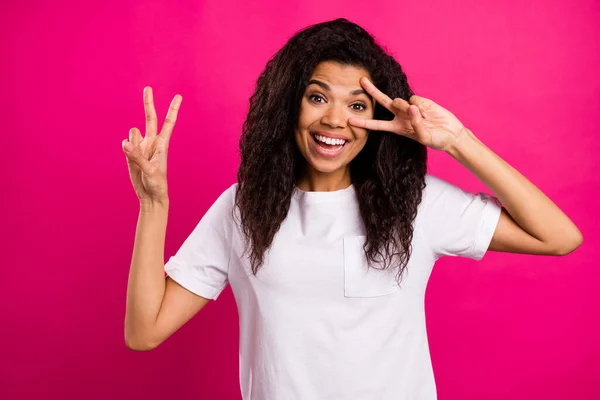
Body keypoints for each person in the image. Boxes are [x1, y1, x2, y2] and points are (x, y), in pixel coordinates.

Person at [122, 18, 582, 400]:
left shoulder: (415, 204)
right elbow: (144, 332)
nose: (335, 120)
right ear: (290, 105)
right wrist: (153, 204)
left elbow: (559, 237)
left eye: (357, 105)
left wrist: (457, 142)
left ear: (376, 121)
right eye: (318, 97)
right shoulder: (243, 210)